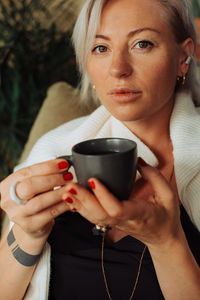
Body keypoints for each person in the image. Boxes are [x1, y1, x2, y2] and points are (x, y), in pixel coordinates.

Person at [0, 0, 200, 299]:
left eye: (142, 44)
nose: (118, 69)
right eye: (101, 48)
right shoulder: (54, 148)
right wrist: (28, 234)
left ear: (183, 56)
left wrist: (166, 242)